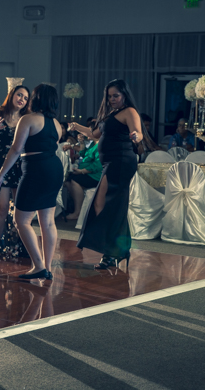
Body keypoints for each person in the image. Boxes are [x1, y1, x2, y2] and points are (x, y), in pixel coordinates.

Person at [70, 79, 143, 270]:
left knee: (104, 204)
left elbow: (138, 132)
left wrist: (136, 136)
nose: (112, 99)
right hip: (110, 163)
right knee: (111, 206)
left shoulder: (129, 111)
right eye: (109, 96)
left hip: (121, 162)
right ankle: (119, 250)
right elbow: (94, 134)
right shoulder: (111, 114)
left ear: (124, 95)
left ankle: (113, 252)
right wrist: (77, 127)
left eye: (115, 95)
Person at [0, 84, 63, 280]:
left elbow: (16, 149)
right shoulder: (57, 124)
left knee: (21, 220)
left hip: (35, 169)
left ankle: (38, 266)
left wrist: (1, 174)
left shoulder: (28, 119)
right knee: (48, 222)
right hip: (55, 169)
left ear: (36, 98)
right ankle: (47, 267)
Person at [0, 85, 30, 259]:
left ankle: (18, 247)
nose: (21, 99)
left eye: (25, 98)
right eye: (19, 95)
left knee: (20, 209)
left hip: (19, 167)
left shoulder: (26, 119)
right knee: (1, 208)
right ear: (11, 95)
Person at [64, 132, 102, 220]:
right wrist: (81, 143)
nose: (85, 133)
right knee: (68, 181)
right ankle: (77, 207)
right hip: (88, 173)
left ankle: (77, 212)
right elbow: (83, 154)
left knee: (75, 181)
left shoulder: (100, 145)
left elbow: (98, 165)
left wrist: (82, 171)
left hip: (96, 175)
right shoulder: (93, 144)